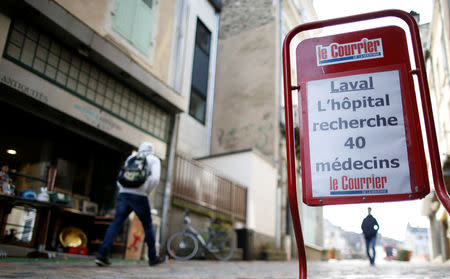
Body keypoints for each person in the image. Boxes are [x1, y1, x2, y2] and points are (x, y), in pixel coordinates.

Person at [95, 142, 166, 267]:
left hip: (123, 194)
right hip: (140, 196)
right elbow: (155, 179)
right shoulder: (153, 159)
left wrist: (123, 190)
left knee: (116, 223)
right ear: (152, 150)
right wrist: (146, 191)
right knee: (148, 225)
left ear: (140, 149)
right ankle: (152, 257)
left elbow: (120, 178)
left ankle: (102, 255)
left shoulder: (131, 158)